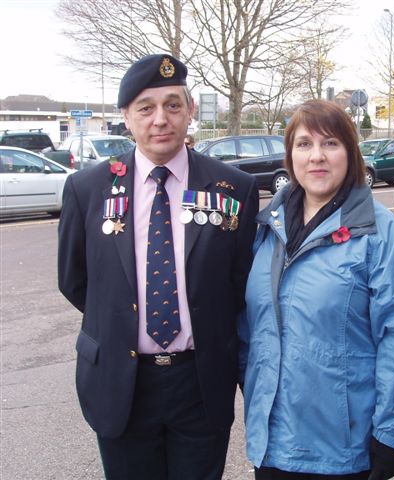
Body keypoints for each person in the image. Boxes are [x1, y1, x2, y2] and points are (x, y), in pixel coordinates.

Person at [58, 54, 259, 479]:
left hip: (200, 382)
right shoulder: (87, 188)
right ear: (127, 118)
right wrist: (121, 319)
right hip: (121, 382)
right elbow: (75, 281)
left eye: (172, 105)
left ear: (189, 111)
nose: (160, 119)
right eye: (146, 108)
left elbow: (240, 281)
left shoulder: (234, 188)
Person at [239, 99, 394, 479]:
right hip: (271, 443)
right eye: (304, 144)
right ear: (290, 156)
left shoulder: (378, 231)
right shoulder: (268, 226)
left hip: (341, 448)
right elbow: (251, 325)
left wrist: (390, 433)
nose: (316, 157)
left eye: (331, 144)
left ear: (350, 153)